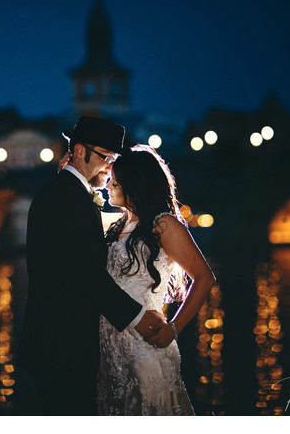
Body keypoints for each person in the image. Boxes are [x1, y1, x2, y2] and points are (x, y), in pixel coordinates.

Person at [16, 117, 166, 415]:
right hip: (60, 345)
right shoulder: (65, 198)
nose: (109, 168)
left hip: (62, 342)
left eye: (113, 160)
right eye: (105, 158)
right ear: (80, 151)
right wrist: (138, 317)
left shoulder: (69, 194)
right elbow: (84, 273)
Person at [97, 144, 216, 415]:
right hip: (111, 344)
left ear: (135, 185)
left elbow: (204, 277)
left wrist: (174, 328)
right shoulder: (118, 224)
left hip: (144, 342)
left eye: (115, 182)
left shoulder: (163, 224)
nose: (108, 186)